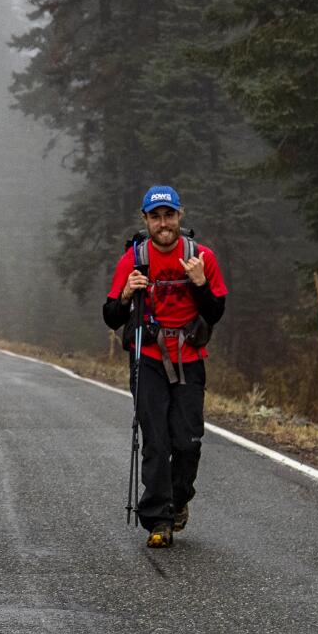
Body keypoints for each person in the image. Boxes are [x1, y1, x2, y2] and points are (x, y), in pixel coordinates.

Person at [103, 185, 227, 548]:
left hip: (189, 358)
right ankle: (159, 520)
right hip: (149, 358)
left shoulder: (201, 257)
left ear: (180, 215)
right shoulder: (133, 260)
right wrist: (126, 294)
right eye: (155, 217)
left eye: (169, 215)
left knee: (187, 443)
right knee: (156, 442)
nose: (163, 223)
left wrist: (201, 284)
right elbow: (111, 317)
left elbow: (215, 312)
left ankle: (178, 500)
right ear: (145, 219)